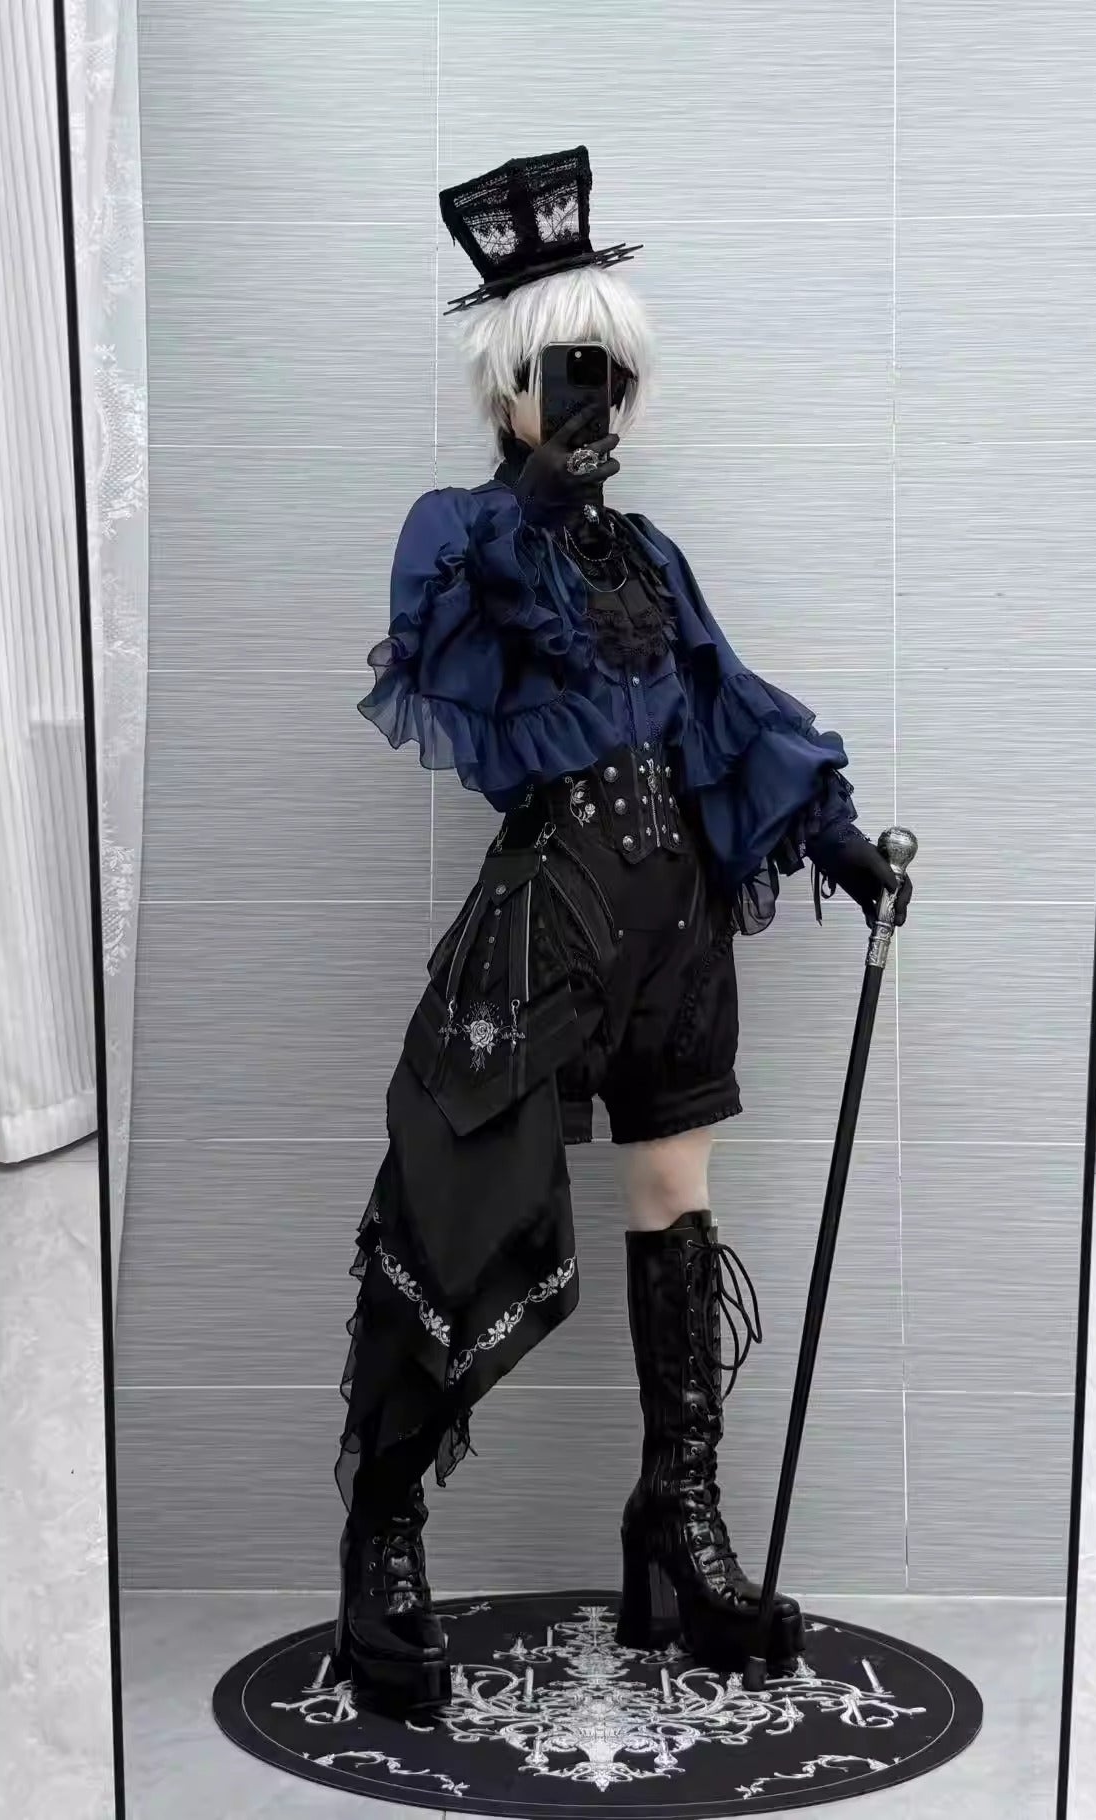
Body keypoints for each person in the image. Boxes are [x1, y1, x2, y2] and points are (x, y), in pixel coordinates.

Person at [332, 145, 912, 1716]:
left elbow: (726, 711)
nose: (597, 404)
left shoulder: (648, 558)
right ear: (507, 389)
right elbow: (440, 660)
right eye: (565, 374)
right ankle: (382, 1536)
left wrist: (837, 841)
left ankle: (678, 1528)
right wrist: (523, 500)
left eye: (614, 376)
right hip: (551, 923)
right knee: (457, 1215)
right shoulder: (471, 536)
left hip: (675, 934)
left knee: (674, 1194)